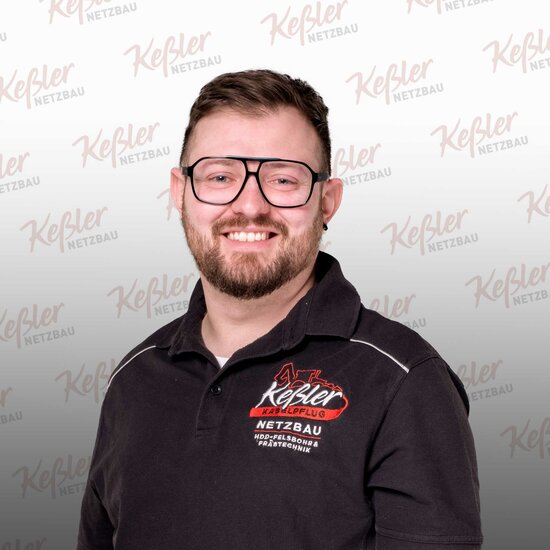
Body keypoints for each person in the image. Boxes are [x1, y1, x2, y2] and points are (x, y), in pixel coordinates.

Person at [77, 69, 483, 549]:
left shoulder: (403, 381)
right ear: (179, 192)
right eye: (220, 176)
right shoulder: (133, 379)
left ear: (327, 202)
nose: (250, 206)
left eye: (283, 179)